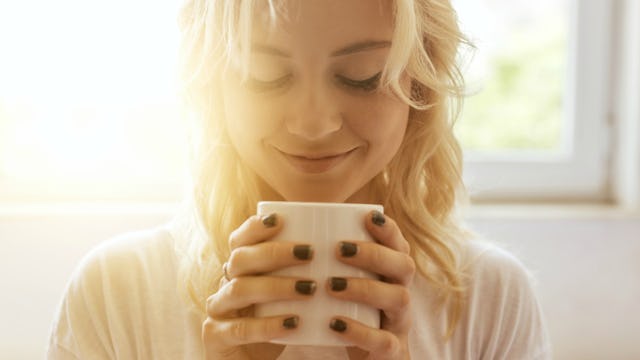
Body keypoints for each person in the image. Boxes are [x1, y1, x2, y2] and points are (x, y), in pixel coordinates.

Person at [47, 0, 552, 359]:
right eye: (265, 76)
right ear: (213, 85)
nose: (313, 123)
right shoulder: (116, 292)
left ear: (419, 84)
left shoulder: (490, 297)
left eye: (363, 76)